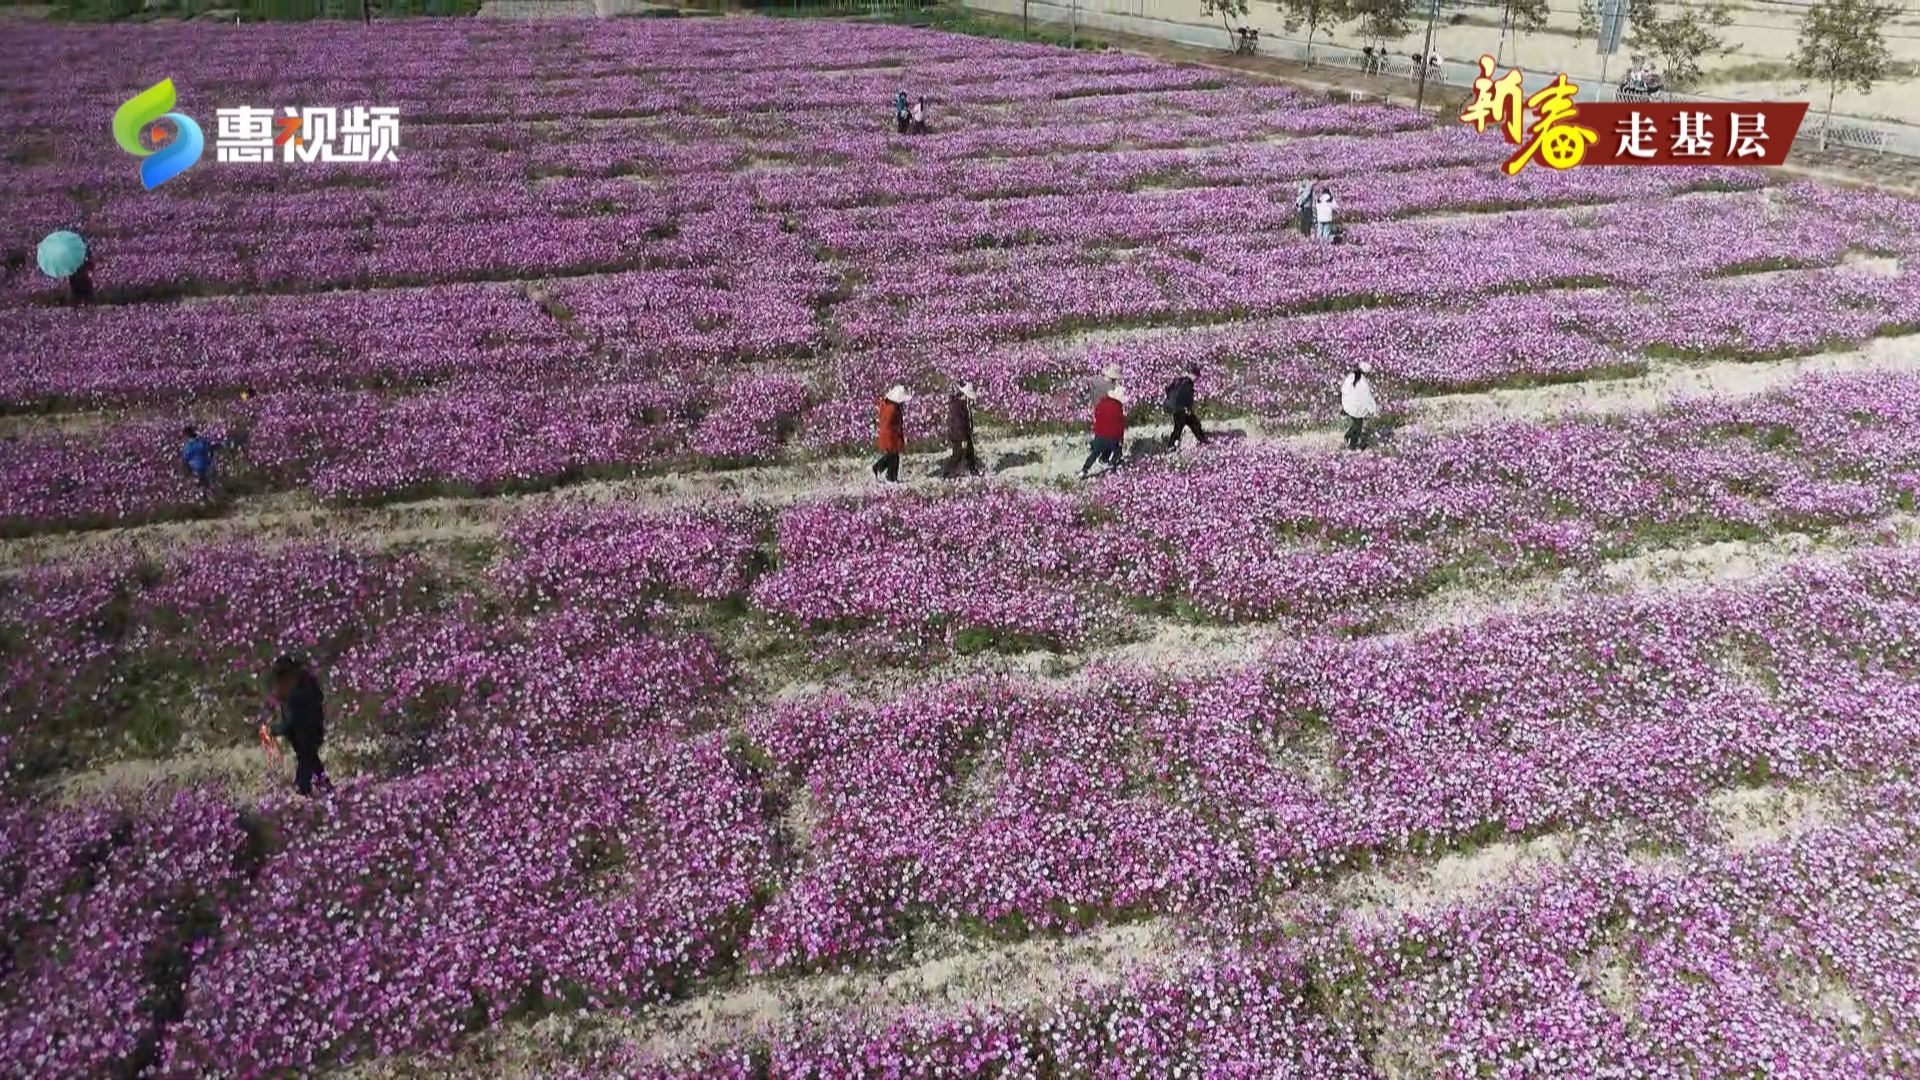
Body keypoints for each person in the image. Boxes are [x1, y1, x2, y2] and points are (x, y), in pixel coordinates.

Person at [269, 655, 332, 797]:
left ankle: (306, 791)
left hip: (307, 735)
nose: (278, 684)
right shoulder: (301, 687)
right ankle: (327, 790)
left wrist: (277, 729)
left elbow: (293, 720)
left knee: (305, 768)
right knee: (313, 763)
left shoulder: (298, 695)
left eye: (281, 680)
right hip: (305, 735)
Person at [1080, 385, 1128, 478]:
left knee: (1094, 454)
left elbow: (1097, 417)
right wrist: (1121, 438)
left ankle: (1084, 470)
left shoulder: (1101, 403)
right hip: (1113, 438)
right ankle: (1112, 466)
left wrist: (1097, 433)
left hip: (1100, 436)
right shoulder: (1118, 407)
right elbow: (1120, 425)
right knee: (1117, 450)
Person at [1162, 363, 1209, 449]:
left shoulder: (1178, 381)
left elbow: (1168, 390)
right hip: (1182, 409)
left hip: (1176, 409)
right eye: (1196, 376)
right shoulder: (1187, 382)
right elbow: (1187, 396)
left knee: (1189, 425)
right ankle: (1171, 446)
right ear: (1192, 374)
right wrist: (1188, 407)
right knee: (1187, 426)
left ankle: (1202, 440)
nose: (1196, 379)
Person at [941, 383, 981, 478]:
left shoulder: (961, 404)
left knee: (969, 452)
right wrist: (963, 438)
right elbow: (959, 424)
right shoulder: (958, 406)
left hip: (962, 433)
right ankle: (946, 473)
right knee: (958, 454)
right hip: (958, 434)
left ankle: (972, 469)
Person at [873, 384, 910, 483]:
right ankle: (889, 476)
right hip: (891, 435)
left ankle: (882, 470)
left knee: (892, 455)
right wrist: (898, 432)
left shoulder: (886, 404)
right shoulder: (893, 409)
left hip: (888, 434)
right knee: (893, 456)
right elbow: (890, 423)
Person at [1340, 362, 1378, 451]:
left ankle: (1348, 436)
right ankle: (1352, 444)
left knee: (1355, 423)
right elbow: (1367, 398)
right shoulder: (1364, 382)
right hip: (1357, 408)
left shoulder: (1350, 377)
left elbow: (1343, 390)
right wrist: (1373, 409)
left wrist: (1343, 403)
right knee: (1358, 426)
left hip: (1348, 406)